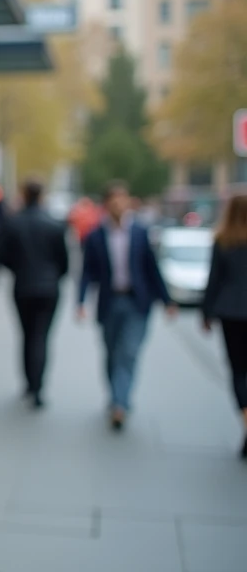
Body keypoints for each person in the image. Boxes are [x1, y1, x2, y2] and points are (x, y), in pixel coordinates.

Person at [77, 180, 175, 431]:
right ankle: (115, 395)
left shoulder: (141, 232)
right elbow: (87, 272)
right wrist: (80, 301)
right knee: (111, 353)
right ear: (107, 204)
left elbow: (152, 269)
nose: (119, 204)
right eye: (114, 200)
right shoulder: (96, 235)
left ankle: (121, 403)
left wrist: (167, 300)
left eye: (123, 199)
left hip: (136, 301)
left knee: (129, 352)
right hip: (110, 302)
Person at [0, 177, 70, 409]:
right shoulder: (55, 224)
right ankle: (38, 387)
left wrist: (19, 269)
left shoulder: (13, 223)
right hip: (48, 288)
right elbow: (64, 262)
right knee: (41, 337)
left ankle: (30, 384)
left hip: (23, 286)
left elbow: (0, 257)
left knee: (27, 335)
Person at [200, 194, 247, 459]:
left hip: (231, 313)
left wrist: (206, 313)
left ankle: (245, 416)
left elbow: (214, 280)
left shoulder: (223, 240)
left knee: (238, 371)